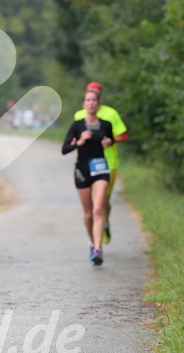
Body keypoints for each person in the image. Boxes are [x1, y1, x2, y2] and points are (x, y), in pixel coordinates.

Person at [62, 89, 114, 265]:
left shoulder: (106, 124)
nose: (91, 103)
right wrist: (80, 141)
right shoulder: (77, 126)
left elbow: (111, 139)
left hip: (100, 169)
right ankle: (92, 242)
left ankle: (98, 250)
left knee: (98, 209)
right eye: (88, 100)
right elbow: (64, 149)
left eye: (94, 100)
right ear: (84, 104)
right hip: (82, 170)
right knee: (88, 214)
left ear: (98, 105)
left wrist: (108, 142)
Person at [74, 82, 128, 244]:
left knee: (103, 201)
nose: (91, 100)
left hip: (108, 164)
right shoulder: (79, 116)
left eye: (95, 94)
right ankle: (96, 237)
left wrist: (110, 141)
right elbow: (74, 138)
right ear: (85, 97)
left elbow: (124, 136)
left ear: (100, 96)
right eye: (89, 94)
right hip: (86, 165)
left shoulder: (111, 114)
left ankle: (105, 223)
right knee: (92, 205)